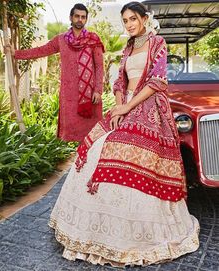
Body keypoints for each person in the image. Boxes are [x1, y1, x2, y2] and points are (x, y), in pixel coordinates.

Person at [49, 1, 199, 267]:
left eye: (132, 19)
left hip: (148, 107)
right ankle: (90, 232)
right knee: (96, 144)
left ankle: (135, 235)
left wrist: (129, 105)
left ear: (144, 19)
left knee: (120, 145)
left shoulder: (158, 43)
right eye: (125, 21)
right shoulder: (128, 47)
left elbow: (157, 81)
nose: (129, 24)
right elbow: (119, 80)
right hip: (125, 104)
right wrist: (119, 106)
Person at [6, 3, 104, 142]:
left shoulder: (93, 40)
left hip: (89, 95)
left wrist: (98, 90)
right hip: (69, 96)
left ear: (86, 19)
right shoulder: (61, 40)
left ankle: (88, 162)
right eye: (77, 16)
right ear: (71, 17)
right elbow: (41, 51)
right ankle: (77, 162)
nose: (79, 20)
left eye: (83, 17)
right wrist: (16, 53)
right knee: (71, 138)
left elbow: (99, 66)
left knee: (92, 136)